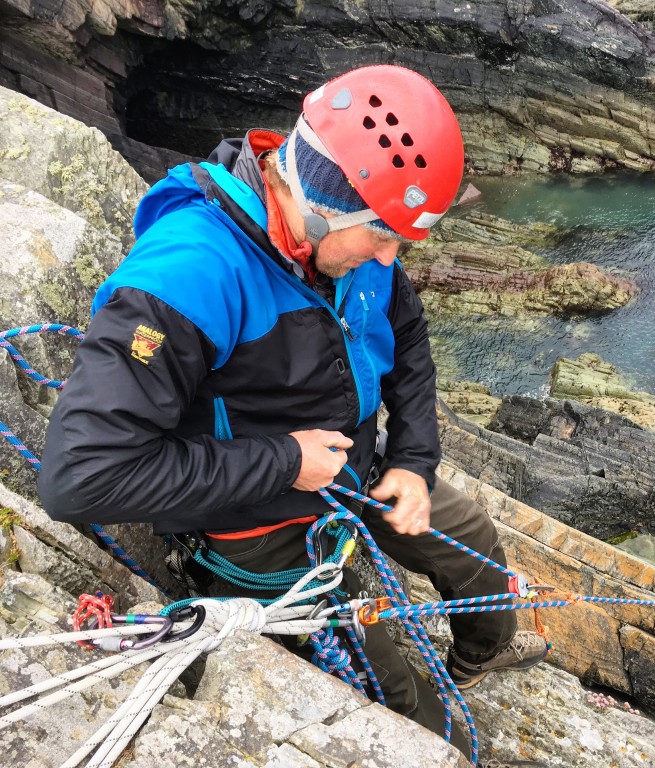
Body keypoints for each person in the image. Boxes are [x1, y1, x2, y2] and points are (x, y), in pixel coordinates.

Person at [36, 64, 548, 762]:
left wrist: (413, 461)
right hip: (262, 525)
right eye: (383, 237)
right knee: (416, 714)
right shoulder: (191, 273)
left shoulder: (351, 239)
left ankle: (481, 653)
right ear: (322, 202)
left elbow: (410, 338)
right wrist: (285, 461)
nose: (390, 258)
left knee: (474, 539)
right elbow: (81, 476)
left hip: (351, 469)